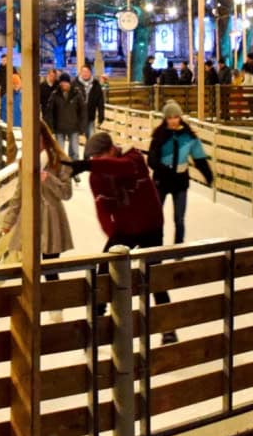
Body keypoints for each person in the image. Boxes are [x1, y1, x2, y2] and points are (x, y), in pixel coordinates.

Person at [68, 130, 174, 344]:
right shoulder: (97, 174)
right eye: (92, 159)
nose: (95, 162)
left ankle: (167, 327)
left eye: (99, 157)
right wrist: (113, 234)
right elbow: (103, 208)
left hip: (151, 225)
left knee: (154, 274)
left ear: (111, 150)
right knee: (104, 266)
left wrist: (90, 165)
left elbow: (122, 168)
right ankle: (98, 318)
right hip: (125, 229)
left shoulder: (133, 157)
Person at [146, 102, 215, 244]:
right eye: (170, 118)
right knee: (156, 217)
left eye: (176, 117)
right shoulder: (159, 136)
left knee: (179, 218)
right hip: (162, 182)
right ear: (165, 119)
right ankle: (155, 245)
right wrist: (164, 170)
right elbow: (151, 159)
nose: (173, 121)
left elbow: (199, 157)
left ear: (180, 117)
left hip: (180, 182)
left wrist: (208, 175)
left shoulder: (188, 136)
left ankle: (179, 247)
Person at [47, 70, 88, 160]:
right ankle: (62, 170)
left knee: (75, 152)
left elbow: (83, 111)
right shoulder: (55, 94)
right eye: (62, 83)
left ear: (69, 83)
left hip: (74, 127)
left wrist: (82, 127)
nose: (64, 84)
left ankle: (74, 169)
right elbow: (49, 112)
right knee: (60, 153)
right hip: (59, 128)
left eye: (66, 82)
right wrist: (51, 128)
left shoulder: (77, 94)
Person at [80, 61, 107, 126]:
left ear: (90, 73)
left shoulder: (96, 84)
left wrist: (101, 116)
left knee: (91, 135)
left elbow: (100, 103)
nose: (85, 74)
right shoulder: (75, 84)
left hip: (90, 117)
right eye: (83, 72)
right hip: (77, 118)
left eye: (87, 72)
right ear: (81, 73)